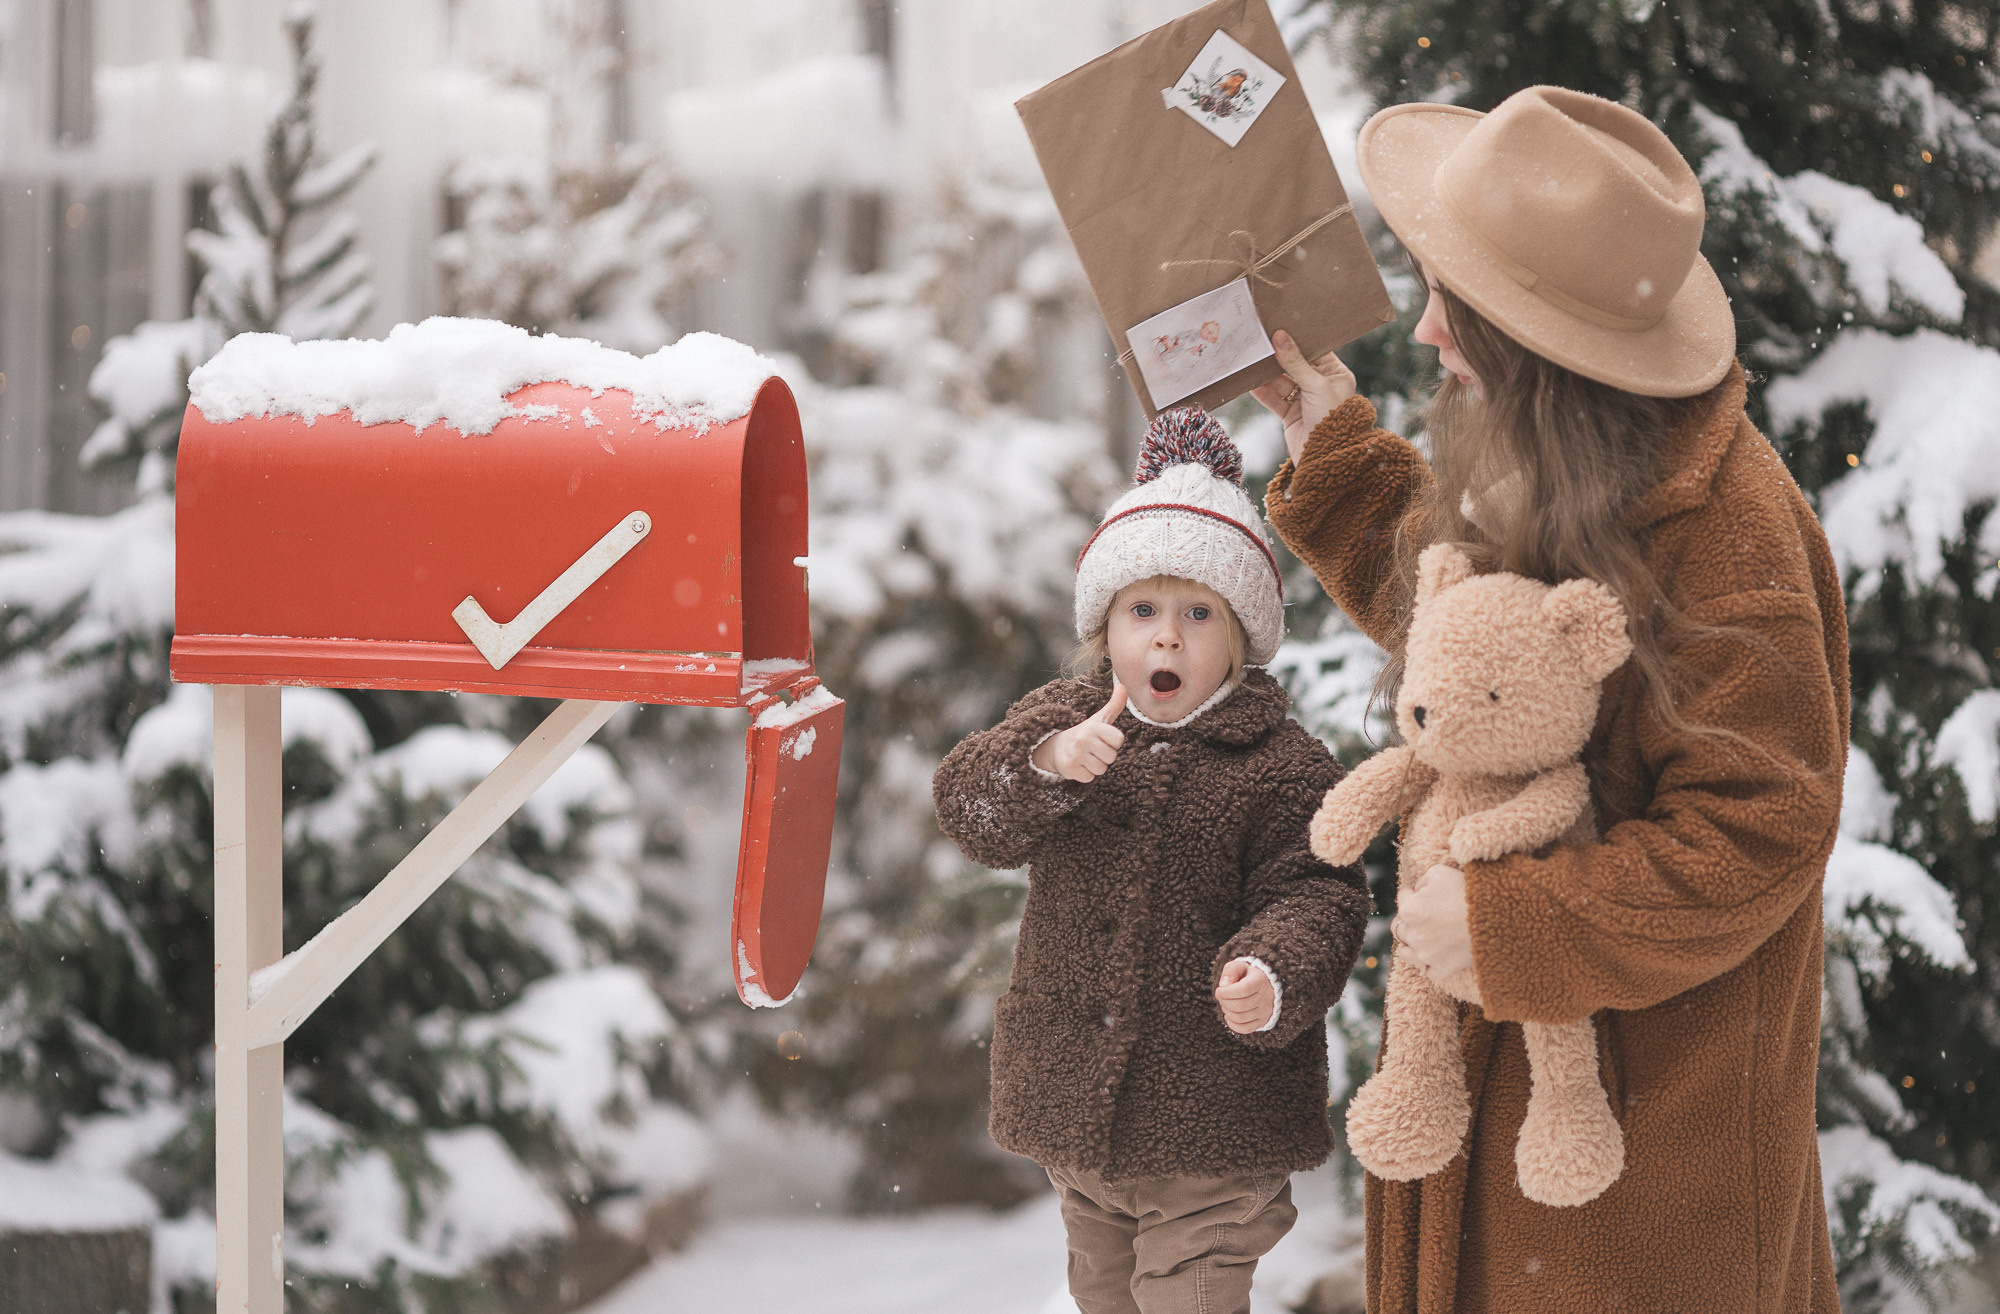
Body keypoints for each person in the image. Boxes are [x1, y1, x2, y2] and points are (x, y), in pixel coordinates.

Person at [1254, 86, 1848, 1311]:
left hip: (1641, 1170)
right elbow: (1479, 665)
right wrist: (1334, 450)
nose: (1422, 334)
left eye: (1452, 306)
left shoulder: (1726, 529)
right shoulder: (1563, 455)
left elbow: (1758, 830)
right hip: (1511, 1127)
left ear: (1540, 346)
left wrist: (1512, 928)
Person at [932, 407, 1371, 1314]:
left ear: (1240, 640)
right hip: (1082, 1123)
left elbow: (1321, 893)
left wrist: (1274, 972)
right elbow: (971, 809)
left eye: (1197, 614)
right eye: (1143, 611)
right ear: (1106, 630)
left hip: (1213, 1124)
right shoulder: (1067, 722)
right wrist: (1043, 768)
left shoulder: (1280, 766)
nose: (1166, 638)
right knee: (1106, 1297)